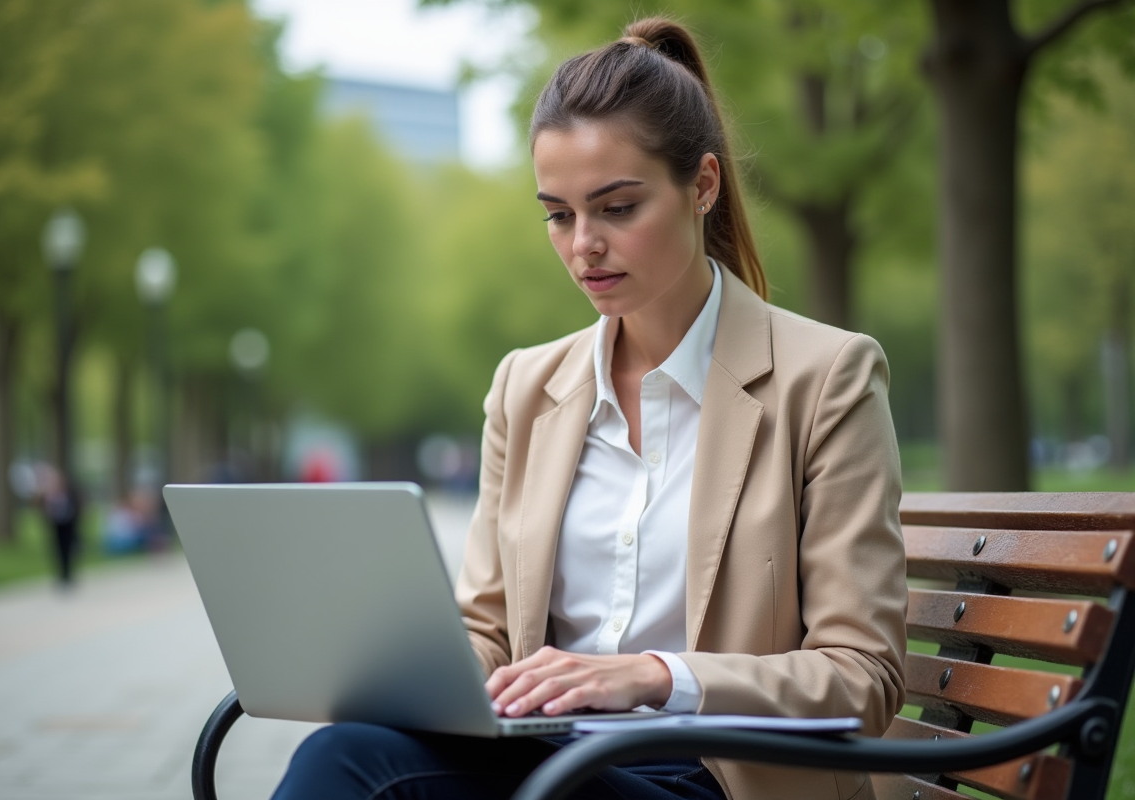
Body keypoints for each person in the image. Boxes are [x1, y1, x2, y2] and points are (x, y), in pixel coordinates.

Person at [272, 16, 907, 800]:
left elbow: (863, 677)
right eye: (559, 214)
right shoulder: (525, 388)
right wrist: (411, 676)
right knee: (349, 750)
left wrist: (652, 676)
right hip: (554, 762)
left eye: (617, 208)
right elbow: (488, 632)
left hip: (717, 781)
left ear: (703, 186)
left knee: (361, 771)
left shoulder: (827, 378)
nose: (583, 247)